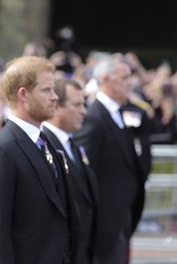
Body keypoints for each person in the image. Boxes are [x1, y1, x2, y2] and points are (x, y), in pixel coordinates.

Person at [0, 56, 80, 264]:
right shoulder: (2, 150)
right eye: (46, 90)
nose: (54, 97)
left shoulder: (45, 143)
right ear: (23, 94)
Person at [73, 56, 146, 264]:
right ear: (106, 79)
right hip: (103, 224)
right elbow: (83, 174)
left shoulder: (117, 113)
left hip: (120, 216)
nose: (129, 82)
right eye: (124, 77)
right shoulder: (94, 117)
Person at [42, 78, 99, 264]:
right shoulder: (44, 146)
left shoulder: (71, 144)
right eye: (77, 105)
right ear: (56, 107)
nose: (83, 111)